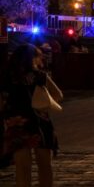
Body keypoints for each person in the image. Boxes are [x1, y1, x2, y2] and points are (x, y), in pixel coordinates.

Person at [2, 44, 62, 187]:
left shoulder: (7, 76)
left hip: (17, 123)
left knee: (22, 168)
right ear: (32, 58)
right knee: (45, 166)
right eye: (39, 56)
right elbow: (58, 95)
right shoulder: (39, 76)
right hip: (40, 122)